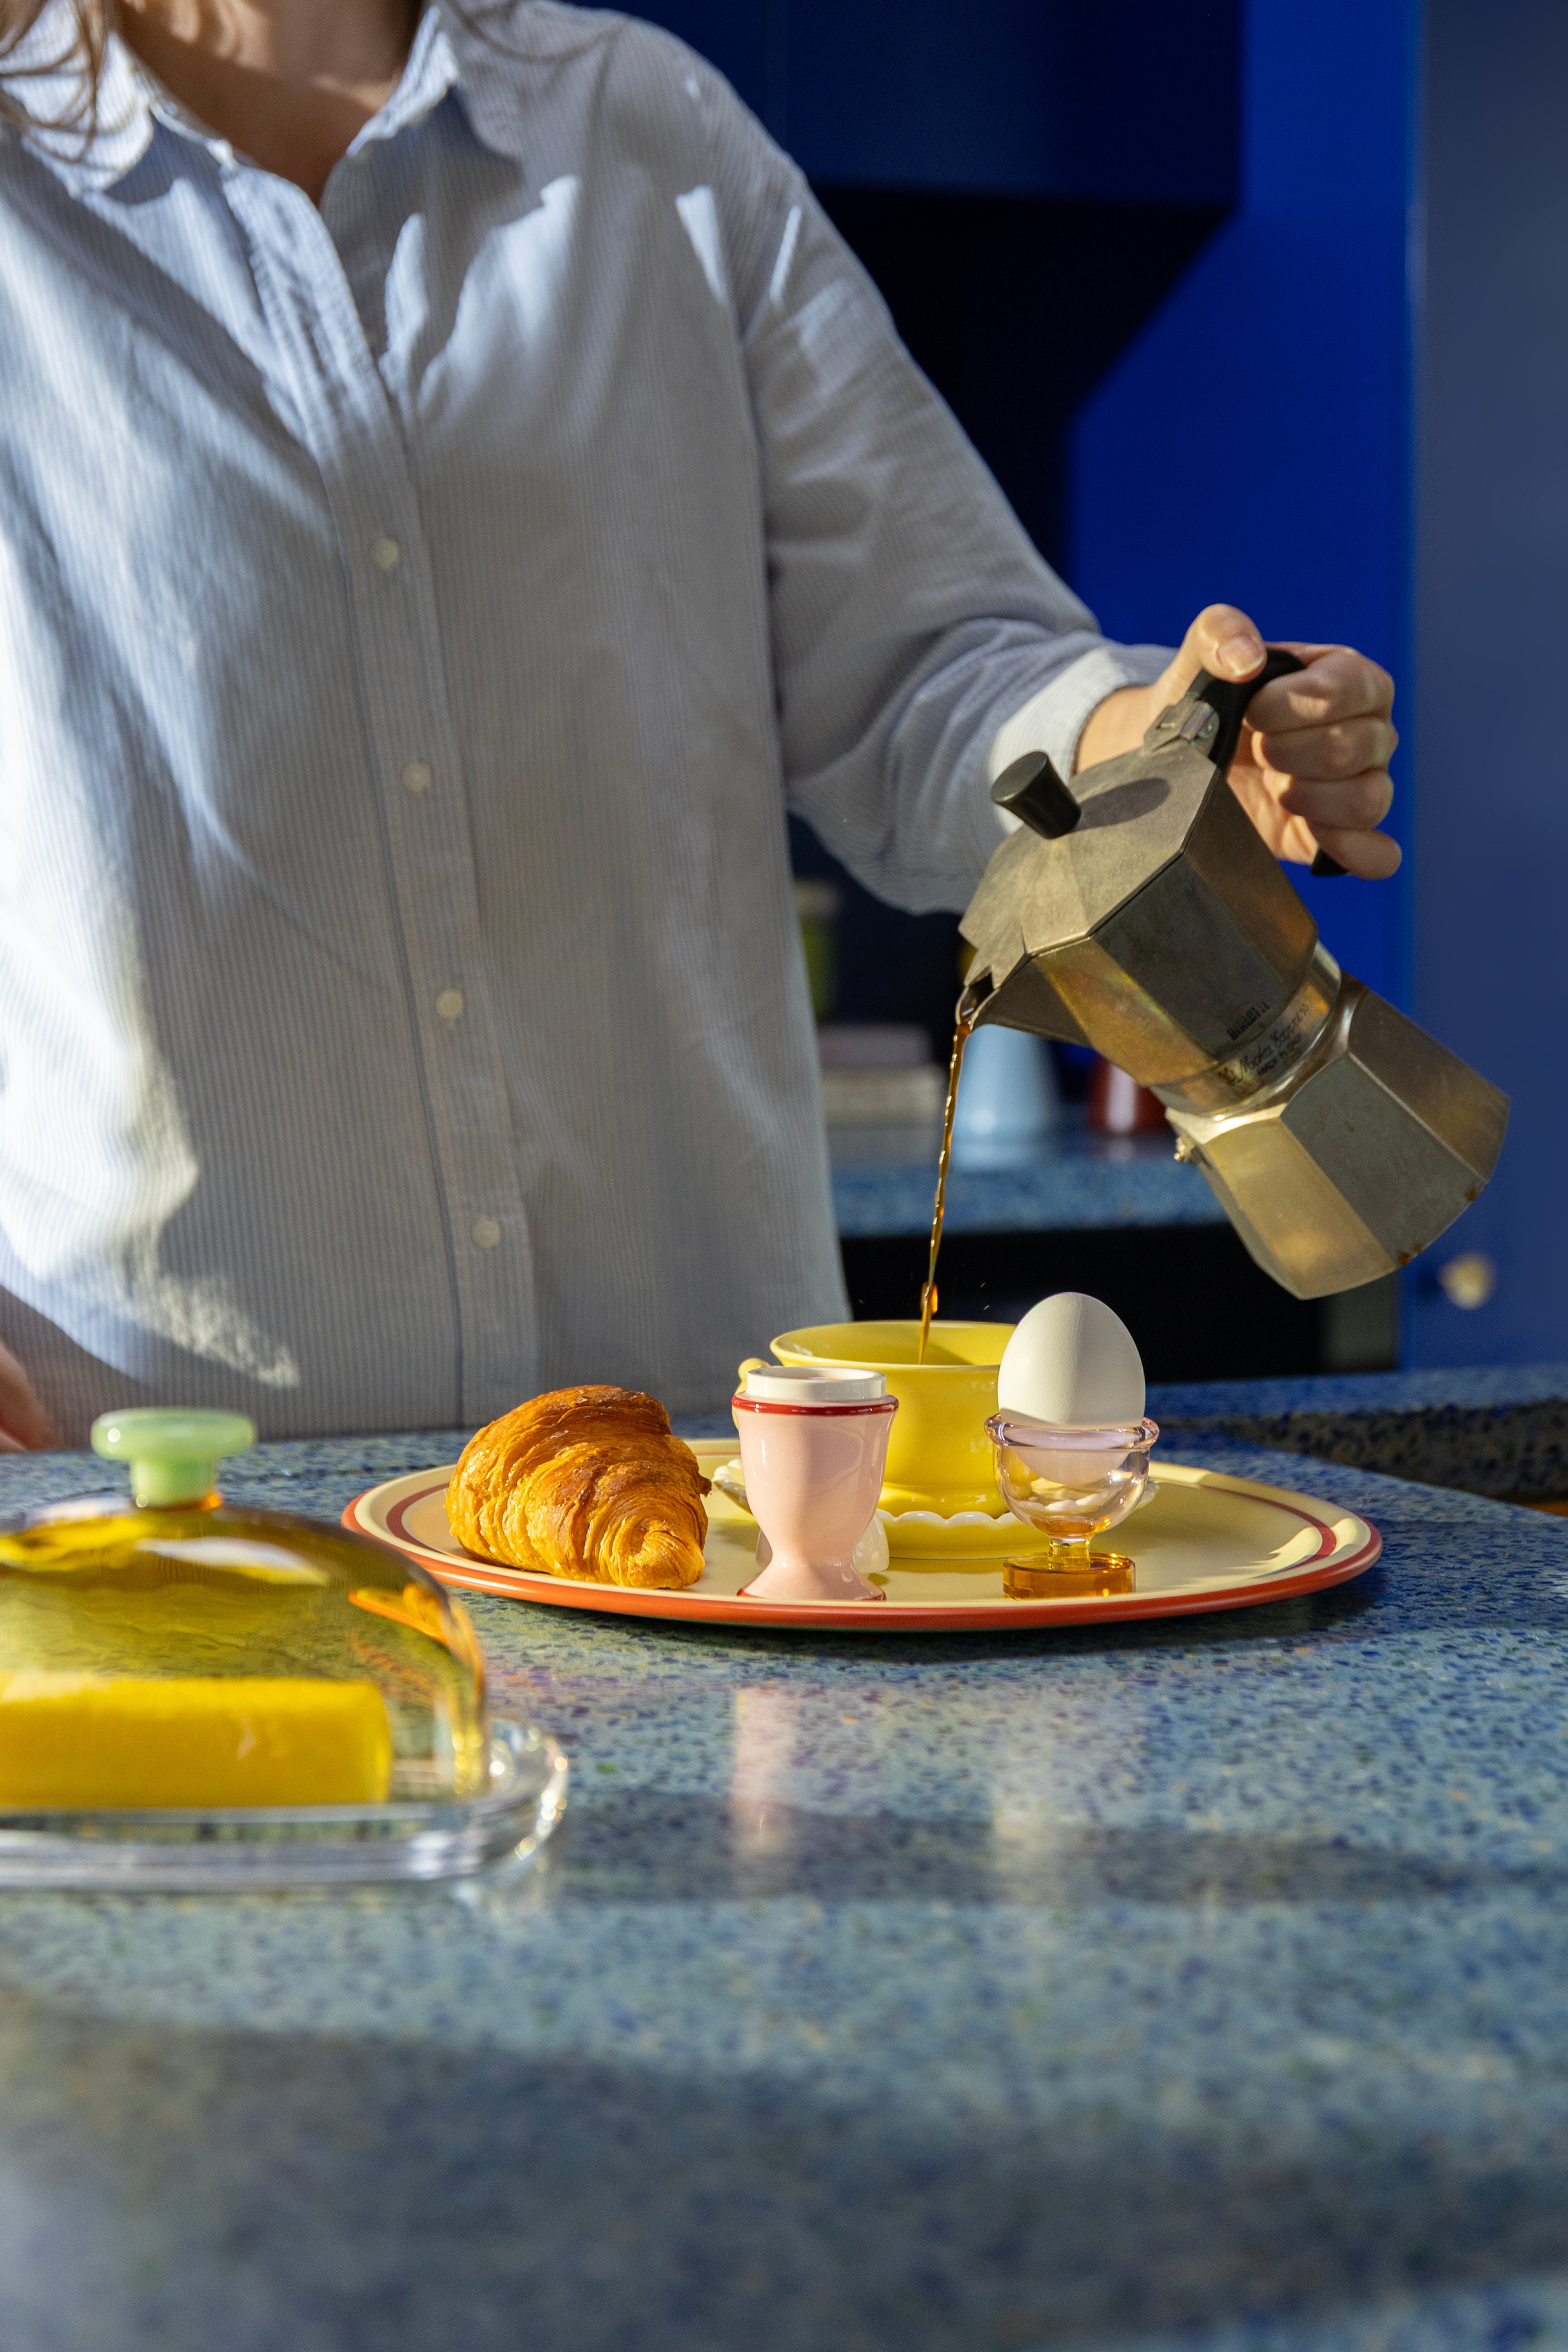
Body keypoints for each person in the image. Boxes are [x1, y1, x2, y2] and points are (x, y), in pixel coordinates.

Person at [0, 0, 1400, 1448]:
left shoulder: (649, 130)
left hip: (702, 1498)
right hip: (162, 1505)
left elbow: (927, 668)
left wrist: (1149, 746)